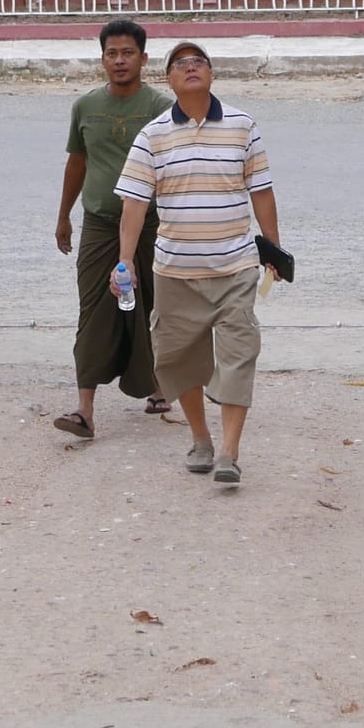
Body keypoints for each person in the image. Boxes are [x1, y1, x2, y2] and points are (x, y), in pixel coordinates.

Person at [113, 39, 279, 488]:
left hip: (235, 267)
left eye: (198, 62)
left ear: (211, 73)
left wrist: (273, 251)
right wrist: (124, 262)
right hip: (175, 271)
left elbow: (261, 191)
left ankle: (229, 451)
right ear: (168, 79)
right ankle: (201, 439)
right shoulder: (152, 135)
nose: (190, 68)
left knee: (239, 355)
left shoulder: (243, 126)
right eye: (180, 64)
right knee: (178, 360)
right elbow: (134, 204)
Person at [53, 20, 171, 439]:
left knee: (154, 306)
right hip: (100, 225)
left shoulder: (161, 108)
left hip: (152, 225)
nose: (120, 61)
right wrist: (64, 215)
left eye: (128, 53)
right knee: (93, 310)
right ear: (102, 59)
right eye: (112, 53)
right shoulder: (85, 107)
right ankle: (84, 410)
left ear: (143, 58)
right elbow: (77, 163)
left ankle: (159, 386)